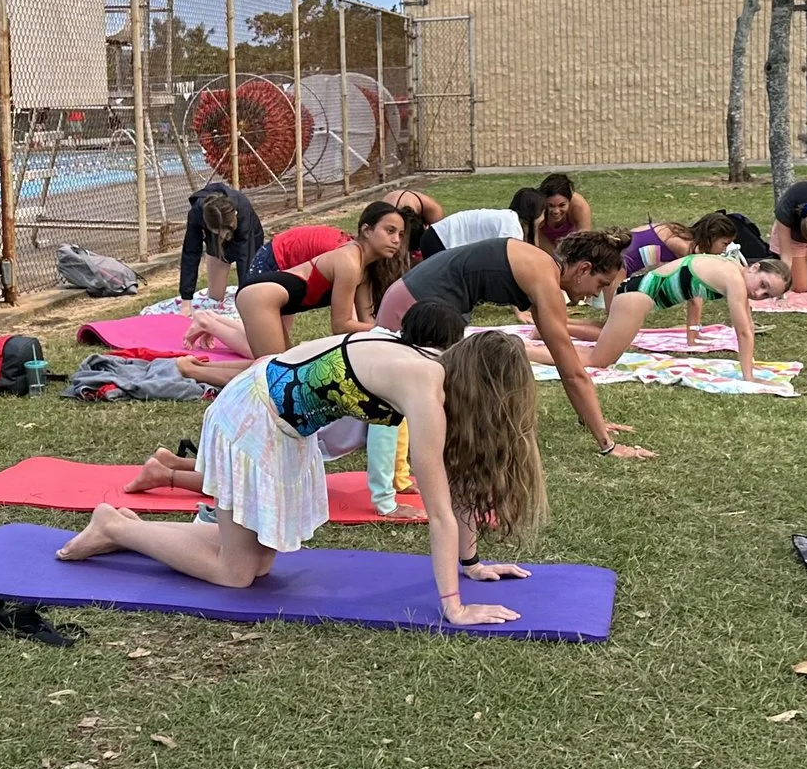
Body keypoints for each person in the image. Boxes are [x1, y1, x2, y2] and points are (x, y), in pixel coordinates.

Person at [58, 306, 543, 625]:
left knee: (259, 563)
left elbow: (456, 481)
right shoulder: (424, 384)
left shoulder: (434, 366)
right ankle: (116, 529)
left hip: (282, 425)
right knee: (236, 573)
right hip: (252, 416)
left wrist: (472, 564)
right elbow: (438, 509)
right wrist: (454, 608)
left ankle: (124, 527)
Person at [376, 231, 653, 458]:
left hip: (411, 297)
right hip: (412, 305)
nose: (595, 293)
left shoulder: (541, 268)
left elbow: (565, 362)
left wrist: (593, 420)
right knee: (411, 392)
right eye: (600, 283)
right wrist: (608, 444)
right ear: (583, 269)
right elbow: (571, 371)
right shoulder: (545, 281)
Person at [558, 221, 792, 371]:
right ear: (754, 267)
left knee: (601, 349)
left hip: (634, 293)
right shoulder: (734, 280)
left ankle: (553, 332)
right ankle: (533, 349)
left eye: (766, 295)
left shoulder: (729, 268)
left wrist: (693, 334)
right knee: (597, 360)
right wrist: (749, 376)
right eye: (763, 284)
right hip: (634, 297)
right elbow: (744, 331)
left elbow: (698, 299)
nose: (758, 293)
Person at [191, 204, 412, 361]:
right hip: (259, 295)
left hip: (273, 294)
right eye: (390, 231)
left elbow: (367, 322)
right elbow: (342, 325)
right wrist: (393, 333)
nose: (396, 240)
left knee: (286, 364)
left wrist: (392, 334)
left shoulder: (364, 270)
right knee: (275, 370)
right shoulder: (349, 262)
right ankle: (191, 368)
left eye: (401, 234)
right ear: (366, 230)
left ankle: (204, 337)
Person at [177, 182, 266, 303]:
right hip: (216, 243)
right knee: (215, 297)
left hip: (250, 236)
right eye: (219, 231)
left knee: (251, 295)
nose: (224, 235)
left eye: (226, 230)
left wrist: (246, 298)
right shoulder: (196, 214)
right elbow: (190, 253)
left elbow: (246, 258)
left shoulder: (241, 207)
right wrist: (186, 300)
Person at [532, 173, 592, 250]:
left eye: (562, 205)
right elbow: (532, 241)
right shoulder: (536, 206)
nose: (556, 211)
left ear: (569, 201)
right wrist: (555, 257)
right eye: (551, 205)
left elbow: (584, 242)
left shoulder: (579, 207)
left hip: (570, 246)